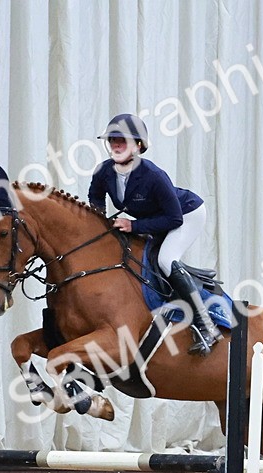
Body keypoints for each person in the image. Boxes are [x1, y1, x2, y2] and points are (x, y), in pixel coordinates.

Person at [88, 113, 222, 355]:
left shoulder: (153, 175)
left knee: (165, 260)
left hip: (187, 214)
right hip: (156, 218)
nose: (116, 145)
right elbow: (95, 195)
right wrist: (100, 221)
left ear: (138, 146)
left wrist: (133, 226)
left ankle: (206, 325)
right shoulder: (104, 171)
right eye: (112, 141)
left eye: (122, 141)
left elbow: (174, 219)